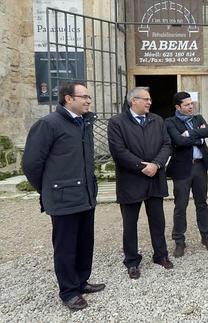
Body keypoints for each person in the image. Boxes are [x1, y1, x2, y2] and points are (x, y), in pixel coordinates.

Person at [22, 82, 105, 310]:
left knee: (84, 242)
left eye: (89, 97)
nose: (88, 100)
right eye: (84, 96)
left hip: (86, 195)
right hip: (63, 198)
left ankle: (81, 281)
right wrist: (49, 188)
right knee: (66, 247)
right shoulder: (48, 124)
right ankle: (68, 292)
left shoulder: (84, 123)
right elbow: (31, 164)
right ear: (68, 99)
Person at [107, 87, 173, 279]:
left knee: (158, 221)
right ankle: (132, 261)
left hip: (155, 178)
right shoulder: (117, 122)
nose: (149, 102)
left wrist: (157, 164)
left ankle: (161, 255)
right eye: (145, 99)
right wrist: (141, 166)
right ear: (133, 101)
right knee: (130, 224)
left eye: (150, 99)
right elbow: (118, 151)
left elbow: (166, 144)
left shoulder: (157, 120)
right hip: (131, 180)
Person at [165, 91, 208, 256]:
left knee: (202, 203)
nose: (190, 107)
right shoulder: (169, 122)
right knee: (180, 206)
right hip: (181, 169)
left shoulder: (198, 118)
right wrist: (198, 137)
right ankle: (179, 241)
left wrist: (189, 134)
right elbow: (178, 141)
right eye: (187, 105)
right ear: (178, 107)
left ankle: (206, 237)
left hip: (200, 167)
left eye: (191, 104)